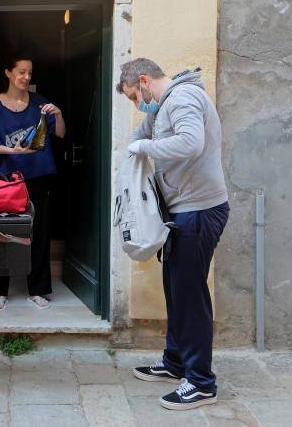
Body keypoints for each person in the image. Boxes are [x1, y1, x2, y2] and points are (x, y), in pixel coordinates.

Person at [115, 58, 229, 411]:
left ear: (145, 81)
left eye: (135, 96)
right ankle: (175, 362)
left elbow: (190, 144)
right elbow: (141, 134)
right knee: (176, 290)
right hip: (182, 213)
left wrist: (144, 149)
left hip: (199, 212)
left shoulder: (182, 100)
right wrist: (133, 151)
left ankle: (200, 382)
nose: (138, 104)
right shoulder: (162, 105)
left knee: (190, 296)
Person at [0, 55, 66, 311]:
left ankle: (38, 291)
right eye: (21, 72)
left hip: (36, 179)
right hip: (6, 180)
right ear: (8, 72)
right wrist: (15, 153)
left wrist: (58, 113)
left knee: (38, 234)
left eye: (29, 72)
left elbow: (60, 133)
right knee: (1, 233)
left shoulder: (40, 103)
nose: (26, 77)